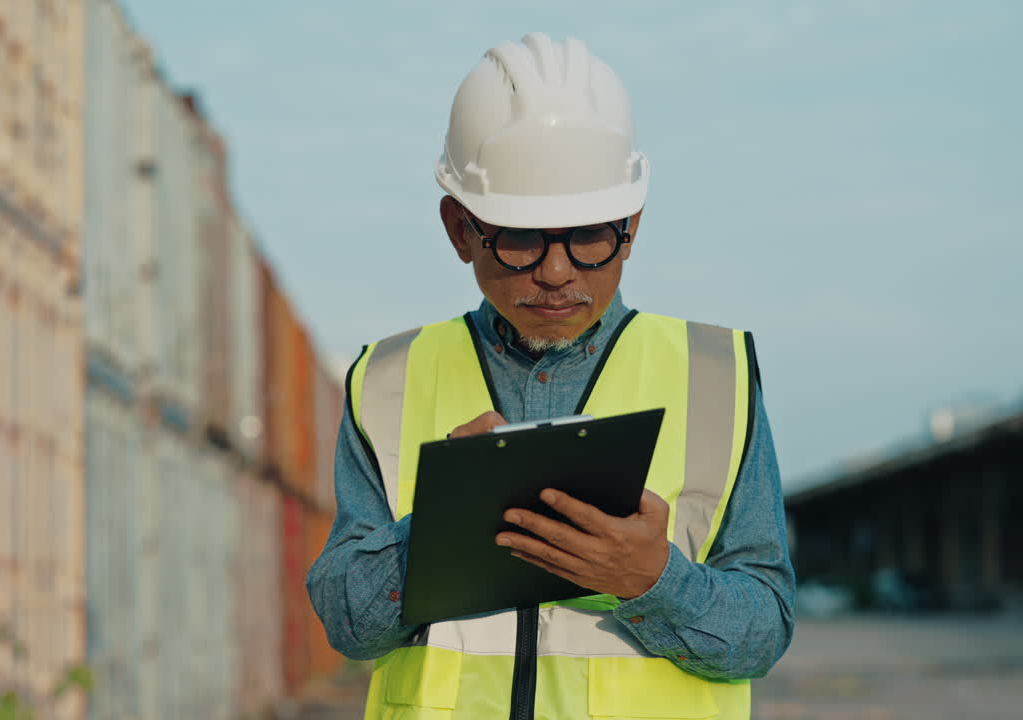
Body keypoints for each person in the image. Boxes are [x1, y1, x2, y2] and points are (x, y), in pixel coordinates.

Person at [306, 32, 794, 720]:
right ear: (459, 229)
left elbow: (764, 628)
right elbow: (347, 625)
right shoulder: (387, 380)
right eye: (521, 237)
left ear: (633, 225)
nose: (557, 271)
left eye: (591, 235)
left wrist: (653, 582)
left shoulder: (718, 377)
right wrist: (439, 532)